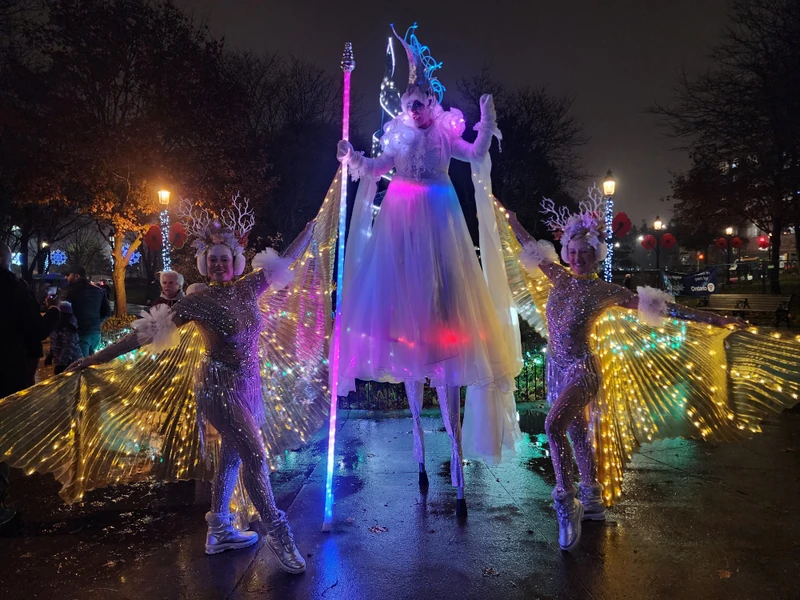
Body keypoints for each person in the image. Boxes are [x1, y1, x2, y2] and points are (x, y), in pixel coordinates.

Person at [511, 188, 799, 552]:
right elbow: (528, 246)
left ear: (595, 255)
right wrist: (511, 217)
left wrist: (713, 318)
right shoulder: (557, 276)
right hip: (556, 367)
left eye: (586, 253)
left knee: (554, 425)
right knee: (579, 435)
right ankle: (594, 499)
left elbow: (664, 310)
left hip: (582, 370)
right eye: (573, 252)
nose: (578, 258)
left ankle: (566, 503)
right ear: (566, 252)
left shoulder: (605, 291)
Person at [335, 23, 521, 516]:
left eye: (421, 102)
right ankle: (420, 444)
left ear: (432, 104)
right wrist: (353, 157)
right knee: (405, 297)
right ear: (404, 107)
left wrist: (484, 123)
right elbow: (377, 168)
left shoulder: (445, 135)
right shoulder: (399, 138)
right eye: (409, 103)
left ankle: (455, 457)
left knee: (444, 295)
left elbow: (477, 155)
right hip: (403, 218)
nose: (415, 109)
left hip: (439, 220)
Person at [66, 199, 307, 572]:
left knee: (232, 455)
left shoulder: (249, 288)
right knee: (256, 457)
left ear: (236, 261)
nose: (218, 264)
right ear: (204, 264)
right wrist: (97, 358)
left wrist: (313, 226)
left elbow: (287, 258)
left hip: (249, 385)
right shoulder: (197, 301)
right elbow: (146, 334)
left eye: (224, 258)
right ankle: (279, 532)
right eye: (212, 259)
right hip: (217, 388)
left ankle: (220, 530)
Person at [0, 242, 60, 526]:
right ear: (4, 258)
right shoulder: (12, 288)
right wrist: (54, 313)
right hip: (6, 370)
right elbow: (34, 329)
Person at [65, 266, 112, 356]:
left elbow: (64, 315)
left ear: (76, 276)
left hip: (80, 334)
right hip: (95, 334)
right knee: (92, 364)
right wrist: (97, 322)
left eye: (68, 275)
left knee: (81, 366)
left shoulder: (69, 291)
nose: (67, 278)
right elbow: (108, 311)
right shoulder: (98, 290)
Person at [44, 301, 83, 375]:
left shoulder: (68, 328)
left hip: (71, 363)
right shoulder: (58, 325)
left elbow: (68, 347)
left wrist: (61, 365)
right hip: (62, 362)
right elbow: (55, 342)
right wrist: (51, 355)